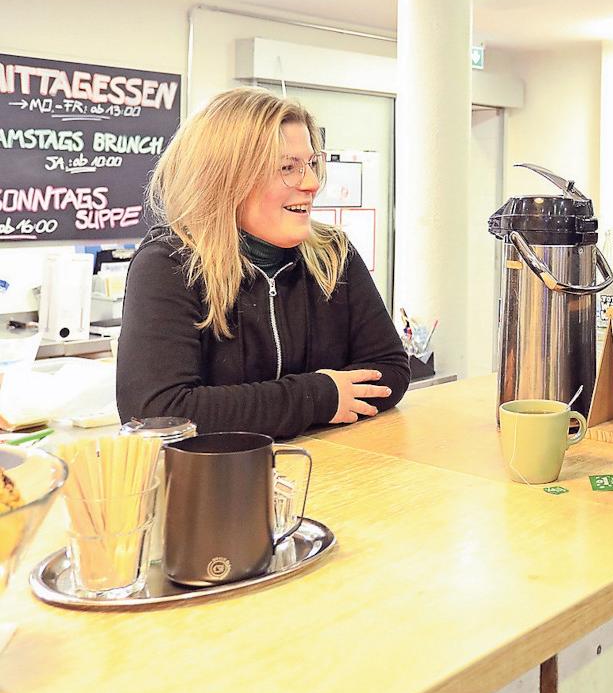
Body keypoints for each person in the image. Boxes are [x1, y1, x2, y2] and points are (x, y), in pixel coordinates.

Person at [118, 87, 410, 439]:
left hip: (328, 471)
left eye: (312, 164)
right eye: (288, 167)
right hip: (217, 484)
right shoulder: (169, 264)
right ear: (226, 177)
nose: (312, 183)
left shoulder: (334, 253)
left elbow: (390, 370)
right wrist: (317, 396)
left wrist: (255, 408)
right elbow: (155, 412)